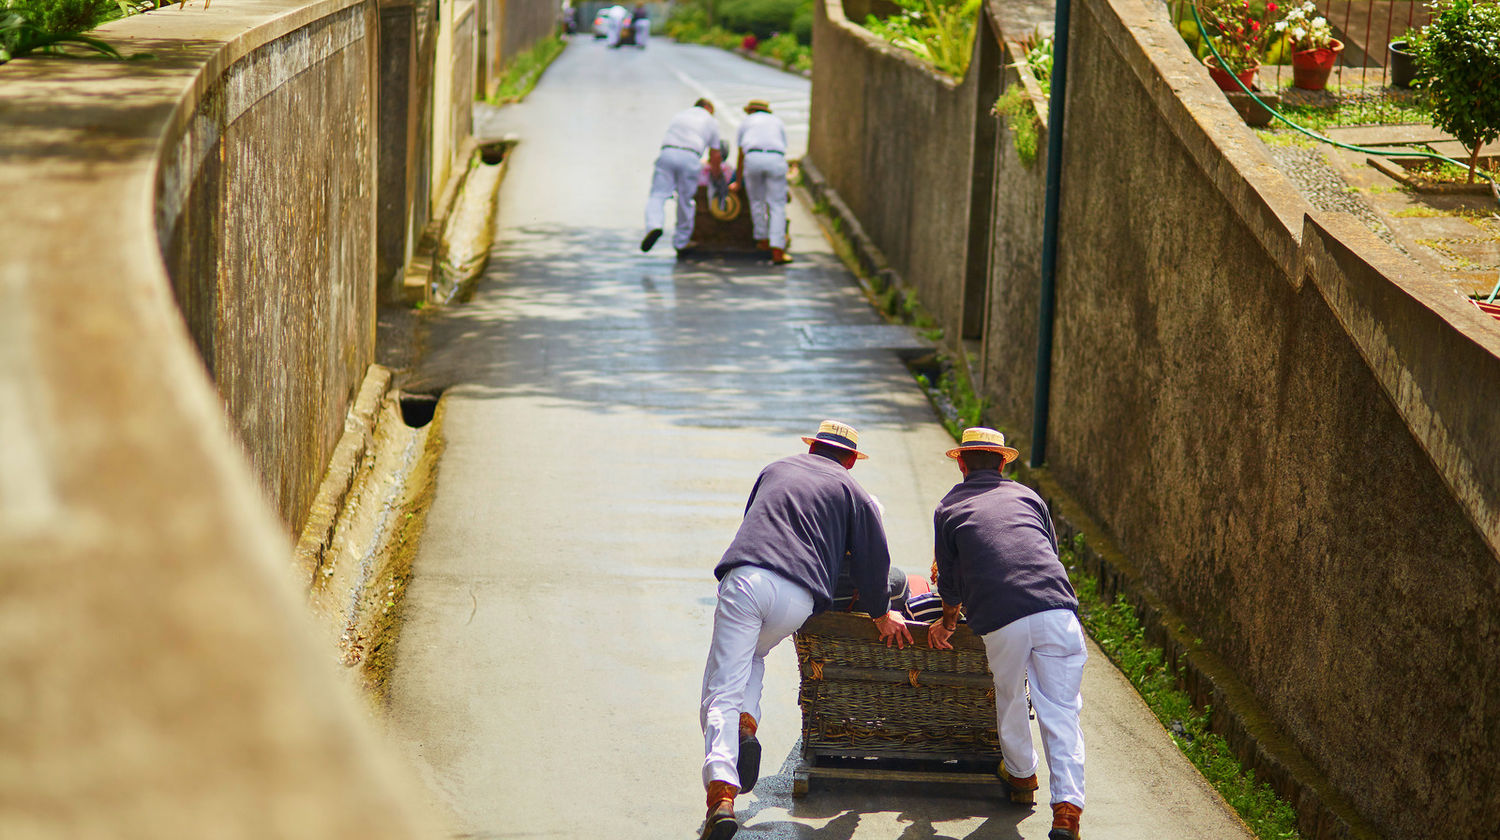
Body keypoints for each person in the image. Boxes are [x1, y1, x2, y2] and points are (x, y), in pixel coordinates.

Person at [699, 420, 913, 840]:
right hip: (798, 598)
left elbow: (753, 524)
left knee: (721, 686)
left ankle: (721, 795)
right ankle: (745, 724)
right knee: (754, 657)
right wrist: (881, 613)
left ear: (813, 447)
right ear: (851, 460)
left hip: (748, 579)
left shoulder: (774, 469)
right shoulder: (854, 493)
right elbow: (876, 564)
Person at [926, 427, 1086, 840]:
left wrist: (946, 623)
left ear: (961, 463)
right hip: (1057, 609)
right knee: (1061, 711)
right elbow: (1046, 550)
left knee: (1012, 694)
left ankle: (1021, 777)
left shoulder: (949, 507)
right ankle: (1067, 810)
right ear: (1002, 463)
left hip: (1002, 618)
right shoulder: (1030, 497)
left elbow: (949, 582)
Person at [642, 99, 723, 256]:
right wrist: (717, 178)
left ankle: (654, 226)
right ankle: (681, 241)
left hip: (668, 152)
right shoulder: (711, 121)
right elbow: (715, 154)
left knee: (657, 195)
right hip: (690, 156)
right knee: (686, 200)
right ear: (708, 108)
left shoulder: (680, 115)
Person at [730, 99, 792, 264]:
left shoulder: (746, 122)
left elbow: (741, 153)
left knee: (756, 201)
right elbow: (782, 149)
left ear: (750, 111)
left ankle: (763, 240)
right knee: (777, 205)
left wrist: (738, 180)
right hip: (775, 158)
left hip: (754, 158)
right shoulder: (777, 122)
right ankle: (777, 250)